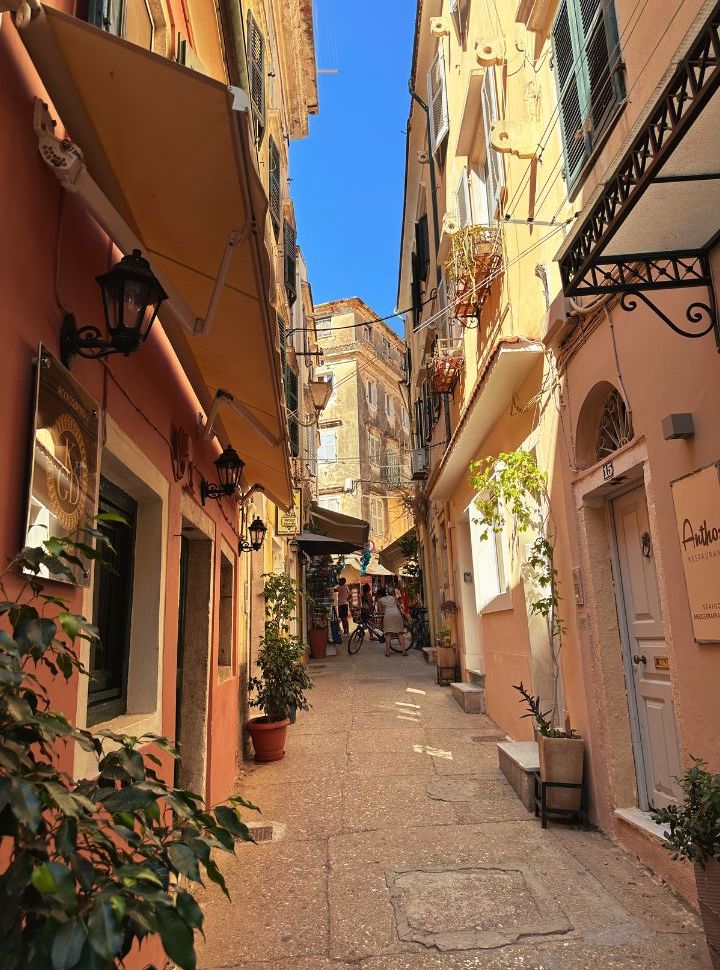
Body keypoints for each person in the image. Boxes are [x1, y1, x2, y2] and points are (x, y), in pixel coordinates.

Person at [376, 585, 408, 657]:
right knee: (400, 633)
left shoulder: (380, 600)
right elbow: (399, 606)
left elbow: (381, 612)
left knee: (388, 634)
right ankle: (404, 651)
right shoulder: (393, 597)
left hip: (388, 616)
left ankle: (388, 652)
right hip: (397, 614)